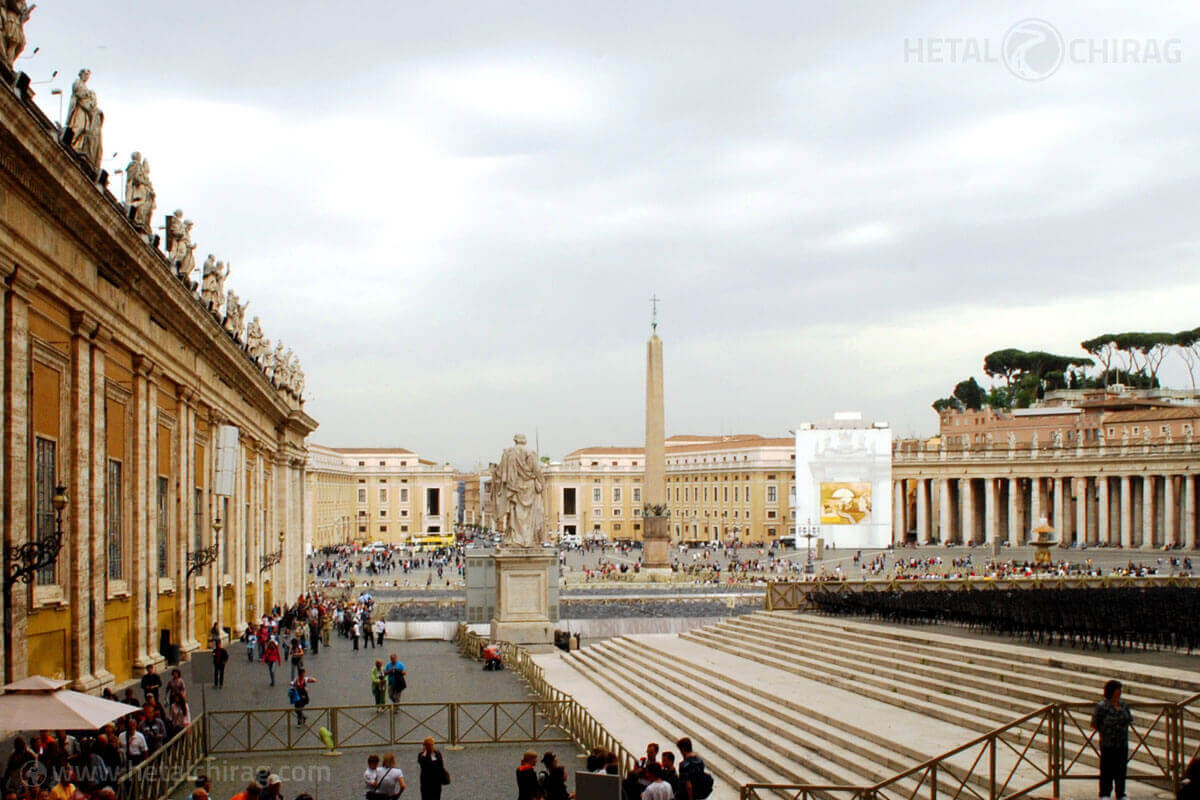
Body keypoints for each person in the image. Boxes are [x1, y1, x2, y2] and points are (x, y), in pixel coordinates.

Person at [1092, 680, 1133, 800]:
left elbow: (1129, 718)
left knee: (1121, 769)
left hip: (1122, 742)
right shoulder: (1102, 706)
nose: (1119, 692)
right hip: (1108, 743)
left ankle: (1121, 793)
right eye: (1117, 689)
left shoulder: (1123, 705)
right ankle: (1105, 793)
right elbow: (1095, 723)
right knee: (1107, 769)